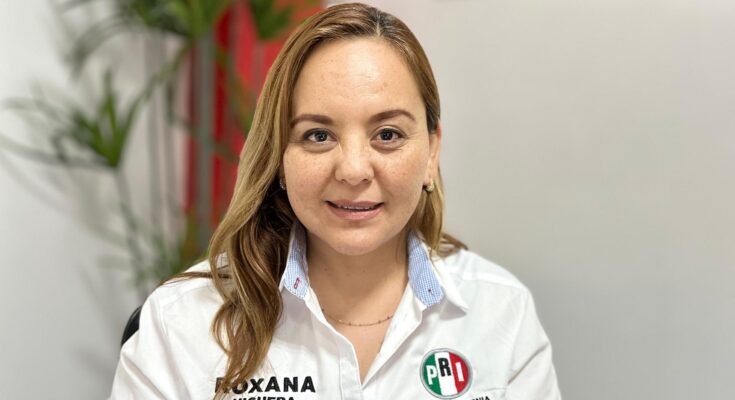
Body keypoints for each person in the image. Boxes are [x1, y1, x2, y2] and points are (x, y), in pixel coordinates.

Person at [110, 3, 562, 399]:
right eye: (318, 135)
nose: (353, 169)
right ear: (279, 156)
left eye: (388, 134)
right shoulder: (181, 322)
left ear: (431, 153)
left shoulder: (500, 312)